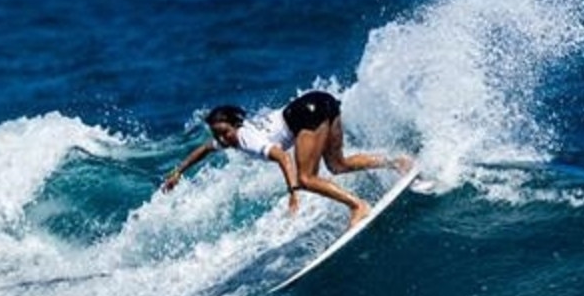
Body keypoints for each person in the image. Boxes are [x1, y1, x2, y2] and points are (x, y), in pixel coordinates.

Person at [161, 90, 414, 228]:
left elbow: (282, 156)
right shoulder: (233, 137)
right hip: (321, 101)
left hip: (306, 113)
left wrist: (293, 191)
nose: (223, 140)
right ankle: (397, 162)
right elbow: (205, 149)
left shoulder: (247, 139)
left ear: (235, 125)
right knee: (338, 165)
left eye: (225, 132)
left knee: (305, 178)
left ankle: (358, 206)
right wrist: (178, 172)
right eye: (218, 135)